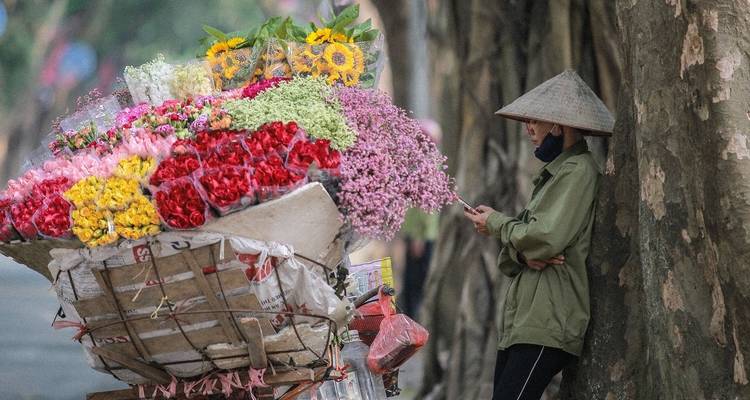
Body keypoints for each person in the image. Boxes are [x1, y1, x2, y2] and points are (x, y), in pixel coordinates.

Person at [463, 70, 614, 400]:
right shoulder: (553, 175)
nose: (528, 129)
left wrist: (501, 226)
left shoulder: (578, 171)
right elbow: (520, 250)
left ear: (558, 126)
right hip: (525, 321)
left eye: (534, 120)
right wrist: (521, 250)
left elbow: (544, 237)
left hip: (548, 323)